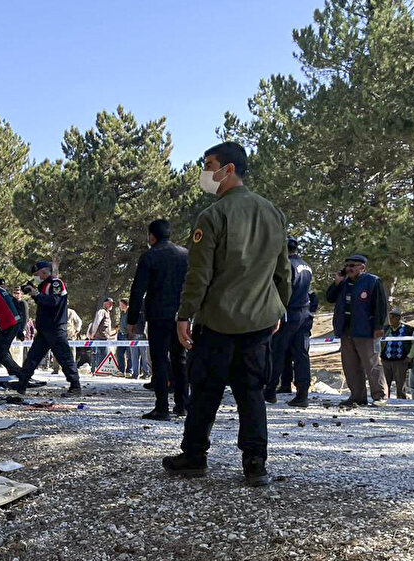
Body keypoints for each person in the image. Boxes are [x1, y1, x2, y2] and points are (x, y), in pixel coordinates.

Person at [163, 142, 290, 487]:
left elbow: (199, 274)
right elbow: (283, 272)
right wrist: (278, 307)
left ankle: (194, 455)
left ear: (228, 169)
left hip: (218, 320)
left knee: (205, 389)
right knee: (252, 391)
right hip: (260, 319)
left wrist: (184, 314)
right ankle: (255, 463)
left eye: (209, 165)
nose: (205, 173)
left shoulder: (214, 215)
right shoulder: (273, 213)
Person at [127, 218, 189, 419]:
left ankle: (161, 407)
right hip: (182, 315)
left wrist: (132, 319)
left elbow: (138, 290)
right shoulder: (185, 255)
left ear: (151, 236)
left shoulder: (149, 257)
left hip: (158, 315)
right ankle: (182, 404)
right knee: (180, 359)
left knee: (160, 359)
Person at [326, 253, 388, 406]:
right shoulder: (343, 283)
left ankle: (380, 396)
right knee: (350, 365)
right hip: (347, 331)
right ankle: (357, 396)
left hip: (366, 330)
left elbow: (381, 305)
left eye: (352, 266)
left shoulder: (373, 281)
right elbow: (329, 298)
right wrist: (337, 283)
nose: (348, 269)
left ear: (362, 267)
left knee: (371, 363)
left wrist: (379, 327)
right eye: (347, 266)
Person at [14, 261, 81, 396]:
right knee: (32, 357)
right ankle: (21, 385)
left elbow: (54, 301)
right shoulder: (43, 285)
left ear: (44, 272)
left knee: (64, 358)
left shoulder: (56, 283)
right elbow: (43, 302)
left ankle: (75, 386)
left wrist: (36, 294)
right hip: (44, 330)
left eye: (36, 274)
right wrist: (33, 293)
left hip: (55, 328)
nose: (35, 277)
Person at [264, 237, 315, 407]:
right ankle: (302, 393)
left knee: (277, 350)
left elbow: (281, 289)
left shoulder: (286, 266)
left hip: (289, 311)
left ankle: (270, 390)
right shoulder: (306, 266)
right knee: (301, 353)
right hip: (304, 312)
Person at [379, 310, 414, 399]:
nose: (390, 319)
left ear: (398, 318)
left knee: (400, 384)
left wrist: (410, 356)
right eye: (390, 317)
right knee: (385, 383)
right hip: (386, 360)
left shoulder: (408, 330)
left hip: (401, 361)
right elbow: (379, 342)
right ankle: (385, 399)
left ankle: (401, 400)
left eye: (393, 317)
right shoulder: (385, 329)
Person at [85, 298, 115, 374]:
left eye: (112, 303)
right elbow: (96, 323)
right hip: (99, 338)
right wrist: (93, 333)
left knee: (104, 355)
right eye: (109, 303)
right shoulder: (102, 312)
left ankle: (101, 371)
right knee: (99, 354)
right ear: (104, 304)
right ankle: (98, 371)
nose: (111, 305)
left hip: (105, 338)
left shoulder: (107, 313)